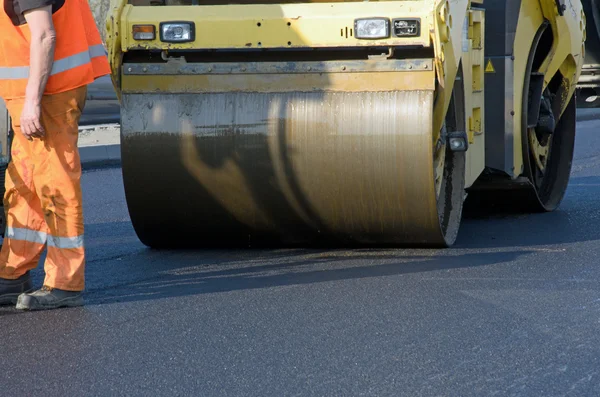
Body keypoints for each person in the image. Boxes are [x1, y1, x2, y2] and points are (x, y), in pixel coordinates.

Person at [0, 0, 110, 310]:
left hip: (48, 94)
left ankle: (65, 282)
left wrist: (33, 101)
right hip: (29, 94)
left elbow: (44, 35)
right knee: (24, 186)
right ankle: (13, 273)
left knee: (55, 183)